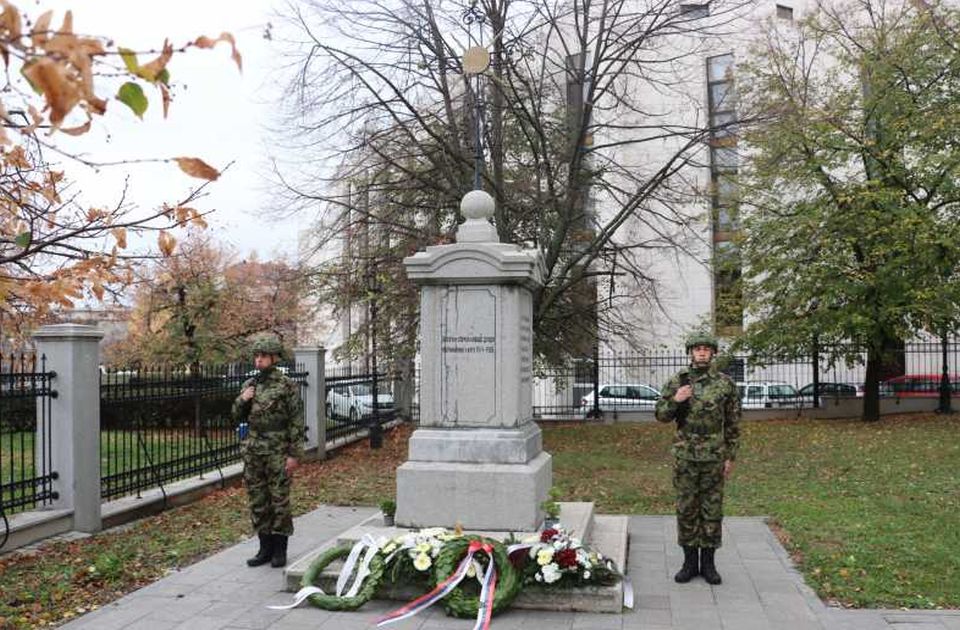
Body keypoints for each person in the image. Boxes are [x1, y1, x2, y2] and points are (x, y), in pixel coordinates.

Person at [654, 331, 740, 585]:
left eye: (706, 348)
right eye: (697, 348)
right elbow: (660, 415)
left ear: (713, 353)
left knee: (712, 510)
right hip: (686, 456)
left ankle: (709, 564)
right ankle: (689, 563)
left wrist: (730, 456)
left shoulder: (725, 383)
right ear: (690, 352)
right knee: (687, 509)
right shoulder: (678, 381)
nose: (702, 352)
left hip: (714, 455)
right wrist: (676, 400)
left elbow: (733, 423)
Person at [232, 334, 304, 568]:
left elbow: (296, 420)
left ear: (274, 358)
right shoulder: (250, 385)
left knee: (279, 500)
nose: (258, 360)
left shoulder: (286, 386)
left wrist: (294, 454)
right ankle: (264, 549)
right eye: (256, 356)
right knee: (258, 499)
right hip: (254, 451)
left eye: (263, 356)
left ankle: (280, 551)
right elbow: (235, 415)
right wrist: (243, 400)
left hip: (277, 450)